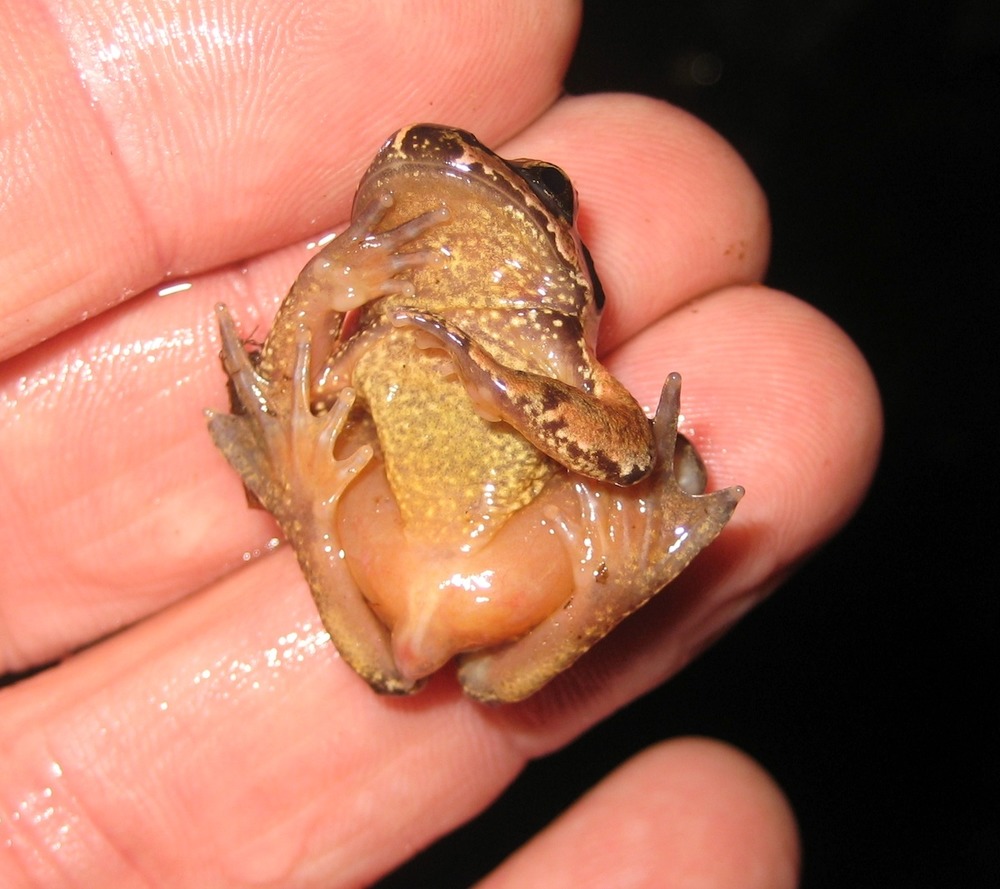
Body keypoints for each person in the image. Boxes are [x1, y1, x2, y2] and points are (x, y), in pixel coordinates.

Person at [0, 3, 879, 885]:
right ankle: (327, 515)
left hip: (502, 561)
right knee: (369, 553)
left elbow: (628, 454)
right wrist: (326, 287)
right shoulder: (384, 327)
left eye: (541, 189)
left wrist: (509, 392)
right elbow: (287, 388)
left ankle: (592, 588)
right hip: (398, 542)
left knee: (545, 604)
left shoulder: (553, 352)